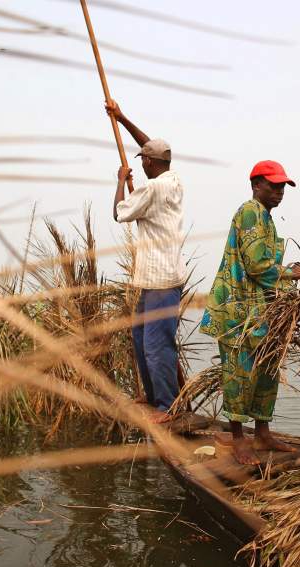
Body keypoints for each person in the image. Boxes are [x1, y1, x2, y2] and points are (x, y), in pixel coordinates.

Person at [199, 160, 300, 464]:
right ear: (256, 185)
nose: (279, 191)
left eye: (282, 186)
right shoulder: (250, 211)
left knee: (265, 371)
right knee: (239, 373)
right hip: (238, 309)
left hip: (260, 311)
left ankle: (262, 432)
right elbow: (257, 266)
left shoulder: (266, 218)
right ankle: (237, 439)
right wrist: (290, 273)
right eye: (273, 185)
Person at [107, 99, 186, 424]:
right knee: (140, 338)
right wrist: (122, 118)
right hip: (155, 279)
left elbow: (119, 213)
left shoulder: (153, 189)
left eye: (143, 162)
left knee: (155, 345)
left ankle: (165, 407)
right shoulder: (173, 178)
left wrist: (120, 179)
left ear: (151, 165)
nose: (140, 164)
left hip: (160, 281)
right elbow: (151, 147)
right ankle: (153, 396)